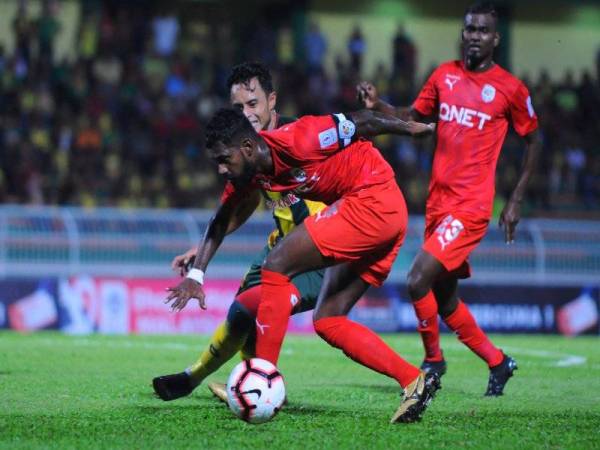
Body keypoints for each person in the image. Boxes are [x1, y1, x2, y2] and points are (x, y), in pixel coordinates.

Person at [166, 104, 439, 423]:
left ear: (248, 147)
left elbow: (360, 121)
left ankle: (260, 383)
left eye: (224, 160)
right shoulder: (250, 171)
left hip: (372, 200)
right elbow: (222, 217)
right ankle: (414, 380)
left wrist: (407, 129)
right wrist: (196, 273)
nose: (222, 170)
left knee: (276, 263)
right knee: (328, 320)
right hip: (380, 213)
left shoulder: (298, 138)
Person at [357, 1, 541, 396]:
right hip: (438, 205)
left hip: (471, 207)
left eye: (482, 30)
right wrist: (379, 106)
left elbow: (533, 141)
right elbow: (413, 115)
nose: (474, 36)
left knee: (417, 277)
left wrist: (515, 200)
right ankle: (498, 361)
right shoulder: (444, 76)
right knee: (443, 297)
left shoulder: (510, 89)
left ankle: (433, 362)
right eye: (469, 29)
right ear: (463, 33)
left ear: (496, 38)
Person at [152, 62, 327, 403]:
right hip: (283, 247)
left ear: (271, 101)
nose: (246, 113)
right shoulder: (246, 151)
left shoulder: (301, 138)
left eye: (253, 103)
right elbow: (234, 209)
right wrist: (199, 258)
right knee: (241, 312)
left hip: (323, 250)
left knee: (253, 308)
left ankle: (210, 379)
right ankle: (250, 384)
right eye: (238, 107)